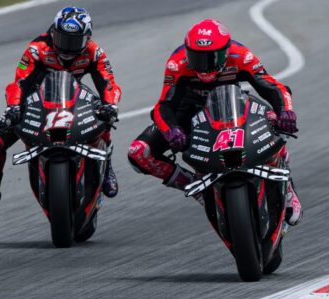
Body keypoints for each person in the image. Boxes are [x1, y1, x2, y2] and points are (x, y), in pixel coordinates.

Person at [128, 18, 302, 225]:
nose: (204, 65)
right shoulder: (177, 63)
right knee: (139, 152)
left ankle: (287, 184)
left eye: (212, 57)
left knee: (273, 118)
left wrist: (286, 112)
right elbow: (162, 107)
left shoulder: (242, 56)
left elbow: (275, 88)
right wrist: (172, 130)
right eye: (197, 57)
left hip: (233, 105)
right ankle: (195, 186)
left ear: (226, 51)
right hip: (190, 111)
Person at [0, 6, 122, 219]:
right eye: (63, 38)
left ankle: (107, 166)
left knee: (104, 116)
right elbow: (19, 82)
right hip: (35, 102)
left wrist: (111, 106)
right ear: (53, 32)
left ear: (87, 39)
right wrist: (14, 107)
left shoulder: (95, 52)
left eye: (74, 41)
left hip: (73, 100)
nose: (67, 47)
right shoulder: (37, 49)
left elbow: (109, 83)